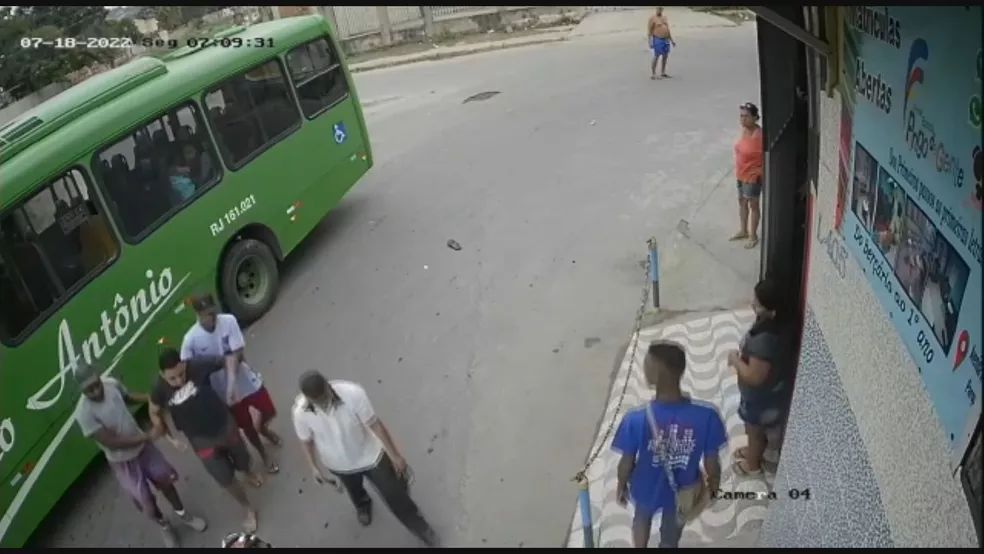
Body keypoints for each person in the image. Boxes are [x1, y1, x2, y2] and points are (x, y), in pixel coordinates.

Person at [292, 371, 440, 547]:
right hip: (338, 463)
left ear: (327, 385)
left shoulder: (352, 393)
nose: (324, 403)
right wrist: (313, 467)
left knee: (395, 495)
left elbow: (375, 425)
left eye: (325, 396)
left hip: (370, 455)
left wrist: (395, 456)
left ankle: (422, 529)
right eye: (317, 401)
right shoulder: (300, 412)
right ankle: (362, 505)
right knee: (353, 489)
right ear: (308, 398)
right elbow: (306, 441)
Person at [74, 362, 207, 547]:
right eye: (90, 390)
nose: (96, 391)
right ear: (82, 391)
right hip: (123, 462)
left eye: (97, 384)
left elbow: (128, 398)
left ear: (99, 377)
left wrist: (152, 399)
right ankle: (164, 526)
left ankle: (184, 515)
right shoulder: (84, 414)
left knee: (165, 480)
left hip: (145, 451)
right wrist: (146, 437)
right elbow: (111, 442)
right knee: (145, 502)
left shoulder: (111, 384)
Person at [612, 341, 727, 548]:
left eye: (648, 364)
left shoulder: (635, 419)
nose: (644, 368)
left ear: (659, 373)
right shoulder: (707, 416)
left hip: (645, 487)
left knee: (641, 518)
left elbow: (626, 463)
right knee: (671, 533)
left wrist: (621, 485)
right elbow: (712, 462)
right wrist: (714, 485)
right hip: (683, 489)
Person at [150, 348, 264, 533]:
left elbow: (228, 358)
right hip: (201, 440)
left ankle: (248, 472)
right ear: (162, 375)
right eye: (172, 378)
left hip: (224, 424)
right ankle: (248, 508)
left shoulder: (197, 365)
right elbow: (154, 412)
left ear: (184, 364)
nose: (179, 381)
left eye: (181, 374)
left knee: (243, 458)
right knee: (224, 478)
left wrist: (231, 386)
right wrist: (170, 439)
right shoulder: (158, 388)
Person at [180, 293, 282, 474]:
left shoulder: (228, 321)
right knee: (247, 426)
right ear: (197, 315)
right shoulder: (190, 340)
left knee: (268, 410)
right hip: (221, 389)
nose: (211, 318)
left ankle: (263, 429)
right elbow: (187, 370)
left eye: (213, 312)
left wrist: (232, 382)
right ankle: (264, 455)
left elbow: (238, 352)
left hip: (242, 377)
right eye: (206, 315)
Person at [727, 279, 790, 477]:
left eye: (758, 301)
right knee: (755, 431)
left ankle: (752, 465)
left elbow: (755, 377)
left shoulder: (765, 340)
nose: (753, 303)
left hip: (760, 401)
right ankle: (754, 451)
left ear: (770, 309)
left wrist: (735, 360)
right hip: (767, 396)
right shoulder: (775, 326)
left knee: (754, 432)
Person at [731, 102, 764, 249]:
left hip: (752, 176)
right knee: (742, 202)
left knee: (753, 205)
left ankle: (753, 235)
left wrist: (760, 174)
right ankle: (743, 230)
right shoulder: (744, 131)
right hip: (741, 173)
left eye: (746, 116)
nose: (742, 119)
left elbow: (766, 158)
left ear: (756, 118)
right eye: (741, 116)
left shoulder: (760, 136)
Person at [647, 7, 676, 80]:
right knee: (656, 56)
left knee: (665, 56)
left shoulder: (664, 18)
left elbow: (668, 29)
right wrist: (650, 42)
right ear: (656, 9)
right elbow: (649, 31)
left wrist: (672, 40)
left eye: (660, 9)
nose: (659, 10)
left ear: (662, 10)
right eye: (658, 9)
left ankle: (663, 72)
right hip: (658, 39)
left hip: (666, 39)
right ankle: (653, 74)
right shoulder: (652, 18)